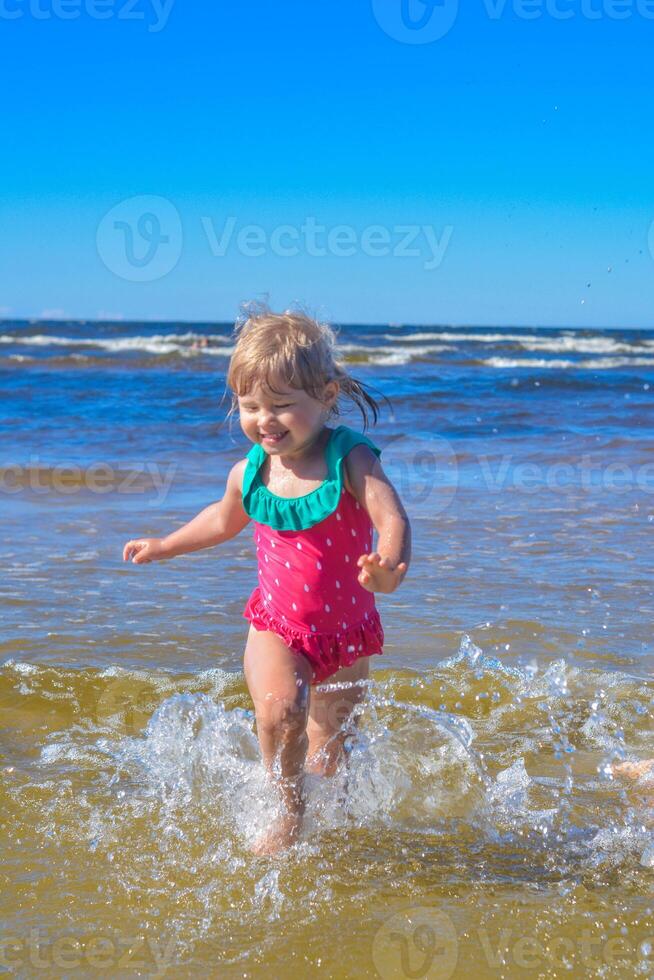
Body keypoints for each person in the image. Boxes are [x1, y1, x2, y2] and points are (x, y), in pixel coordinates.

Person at [122, 308, 411, 855]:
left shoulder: (350, 458)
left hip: (348, 633)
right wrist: (164, 545)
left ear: (327, 397)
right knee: (282, 712)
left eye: (281, 405)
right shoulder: (249, 470)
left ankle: (333, 828)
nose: (265, 420)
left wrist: (390, 566)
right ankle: (286, 813)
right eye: (250, 407)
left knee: (331, 749)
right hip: (278, 626)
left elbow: (390, 515)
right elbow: (221, 519)